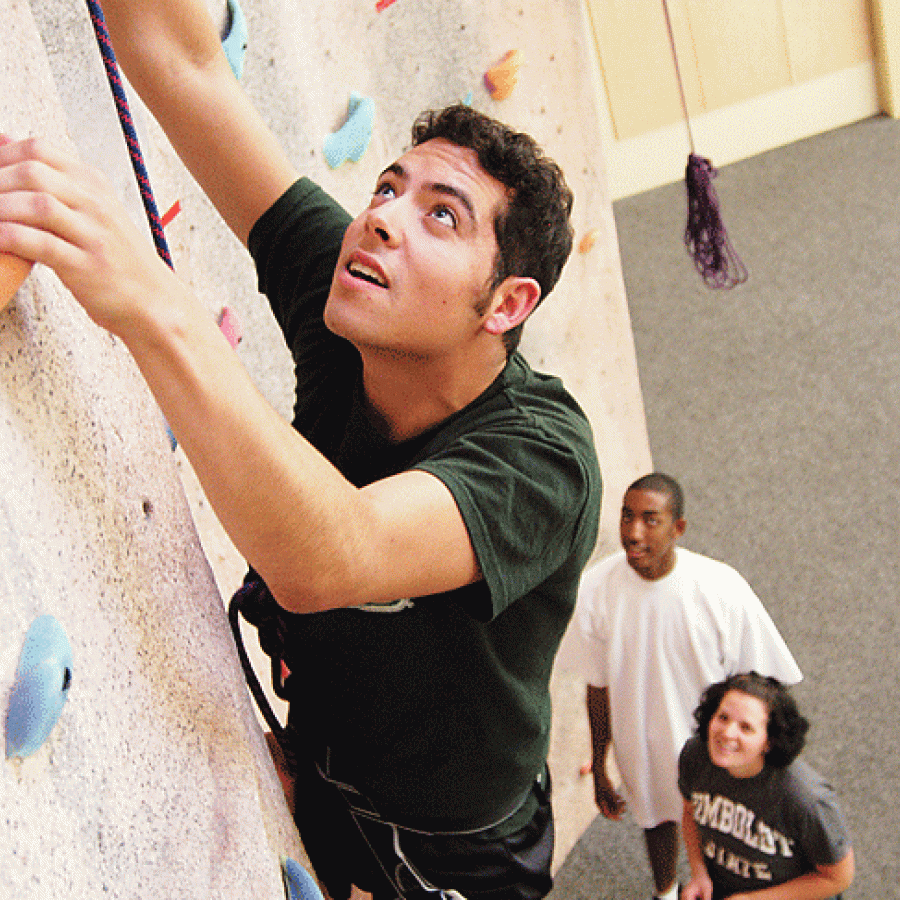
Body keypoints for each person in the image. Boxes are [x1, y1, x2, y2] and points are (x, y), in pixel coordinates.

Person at [0, 2, 602, 898]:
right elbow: (184, 61)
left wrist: (147, 299)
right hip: (320, 773)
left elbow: (335, 553)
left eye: (443, 218)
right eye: (389, 189)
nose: (384, 219)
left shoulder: (543, 462)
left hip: (454, 857)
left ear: (506, 304)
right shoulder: (357, 294)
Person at [557, 473, 801, 900]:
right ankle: (666, 892)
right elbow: (598, 686)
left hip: (717, 754)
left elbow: (768, 689)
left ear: (678, 528)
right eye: (627, 516)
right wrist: (599, 763)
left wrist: (766, 766)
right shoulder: (597, 588)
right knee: (656, 822)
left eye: (650, 519)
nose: (633, 532)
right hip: (644, 751)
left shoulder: (722, 590)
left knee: (728, 841)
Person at [679, 672, 854, 900]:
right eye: (723, 717)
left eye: (746, 727)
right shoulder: (696, 756)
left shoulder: (805, 799)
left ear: (769, 742)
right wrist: (699, 874)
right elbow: (690, 812)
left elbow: (838, 877)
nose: (727, 732)